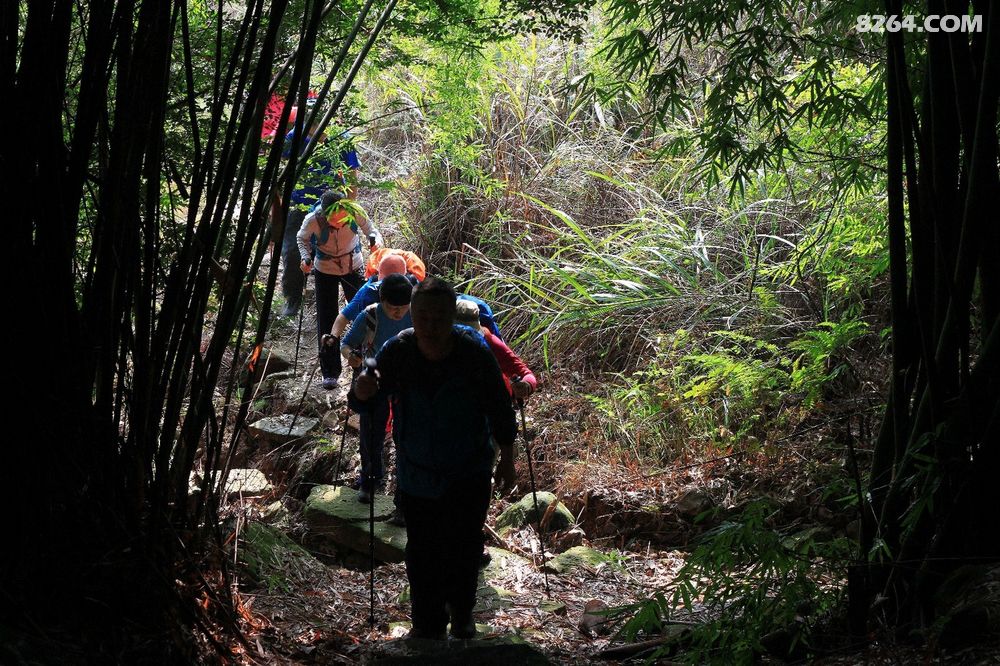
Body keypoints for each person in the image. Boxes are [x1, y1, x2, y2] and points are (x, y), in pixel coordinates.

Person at [350, 277, 516, 640]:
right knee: (422, 550)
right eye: (423, 317)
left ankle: (461, 614)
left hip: (469, 468)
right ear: (413, 314)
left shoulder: (473, 351)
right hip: (417, 470)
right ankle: (427, 622)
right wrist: (362, 391)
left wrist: (508, 457)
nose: (430, 326)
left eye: (439, 317)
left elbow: (499, 405)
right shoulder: (397, 350)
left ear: (450, 316)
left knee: (465, 544)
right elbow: (366, 395)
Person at [279, 112, 363, 317]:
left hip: (333, 206)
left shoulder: (341, 140)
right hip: (299, 204)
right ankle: (292, 298)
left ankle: (356, 304)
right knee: (292, 251)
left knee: (343, 252)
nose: (312, 129)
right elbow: (283, 169)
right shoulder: (294, 137)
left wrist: (350, 207)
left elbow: (352, 175)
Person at [340, 274, 414, 502]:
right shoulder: (370, 315)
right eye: (393, 308)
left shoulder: (417, 314)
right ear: (382, 300)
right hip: (375, 380)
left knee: (407, 435)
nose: (398, 313)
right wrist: (351, 357)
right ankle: (370, 480)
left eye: (403, 307)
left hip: (407, 380)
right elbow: (346, 344)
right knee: (372, 432)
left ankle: (405, 491)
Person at [298, 190, 382, 389]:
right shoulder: (313, 219)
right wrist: (305, 257)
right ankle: (330, 371)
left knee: (363, 314)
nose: (338, 222)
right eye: (332, 220)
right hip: (324, 269)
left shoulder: (354, 211)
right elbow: (302, 239)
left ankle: (361, 365)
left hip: (353, 266)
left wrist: (375, 240)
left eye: (340, 218)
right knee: (327, 317)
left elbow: (371, 229)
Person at [455, 299, 536, 400]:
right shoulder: (434, 346)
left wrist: (526, 386)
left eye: (471, 333)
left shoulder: (487, 339)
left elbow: (525, 373)